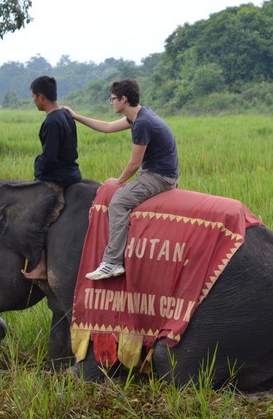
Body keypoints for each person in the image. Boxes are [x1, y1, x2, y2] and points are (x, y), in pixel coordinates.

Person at [66, 79, 178, 280]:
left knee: (118, 201)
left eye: (113, 98)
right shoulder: (138, 115)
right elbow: (108, 127)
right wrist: (75, 116)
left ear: (123, 99)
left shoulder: (142, 123)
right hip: (154, 173)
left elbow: (135, 164)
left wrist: (117, 182)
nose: (111, 102)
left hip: (159, 177)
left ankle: (112, 262)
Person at [22, 75, 82, 280]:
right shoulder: (66, 115)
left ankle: (41, 265)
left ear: (41, 97)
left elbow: (50, 158)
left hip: (57, 179)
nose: (33, 101)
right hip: (72, 173)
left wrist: (37, 165)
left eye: (33, 97)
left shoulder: (52, 121)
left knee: (35, 220)